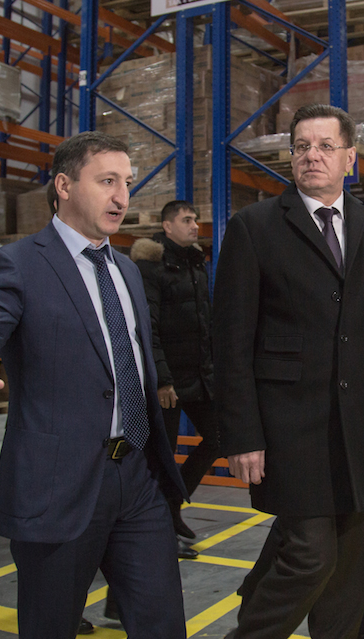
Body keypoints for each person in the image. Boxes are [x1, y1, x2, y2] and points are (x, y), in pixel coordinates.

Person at [0, 132, 187, 639]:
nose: (122, 197)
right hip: (59, 485)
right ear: (64, 186)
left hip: (137, 475)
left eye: (127, 183)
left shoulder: (127, 270)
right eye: (107, 181)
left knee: (163, 625)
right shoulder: (20, 262)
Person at [213, 103, 364, 639]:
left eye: (324, 146)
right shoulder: (254, 228)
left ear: (349, 159)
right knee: (311, 554)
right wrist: (242, 435)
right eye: (301, 147)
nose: (311, 156)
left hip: (356, 424)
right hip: (289, 425)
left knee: (348, 567)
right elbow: (230, 343)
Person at [130, 199, 219, 558]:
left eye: (195, 219)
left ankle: (173, 504)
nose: (194, 225)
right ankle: (162, 531)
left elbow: (203, 323)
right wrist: (162, 379)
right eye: (186, 220)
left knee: (219, 436)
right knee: (162, 458)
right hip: (167, 382)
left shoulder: (195, 263)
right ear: (167, 226)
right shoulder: (151, 266)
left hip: (197, 375)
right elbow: (147, 326)